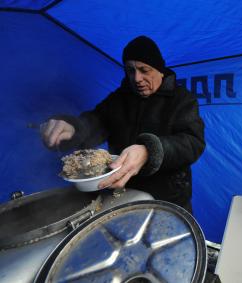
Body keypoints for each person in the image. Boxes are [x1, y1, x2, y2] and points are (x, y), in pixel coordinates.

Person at [41, 36, 206, 213]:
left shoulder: (182, 99)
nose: (136, 78)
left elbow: (192, 142)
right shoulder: (118, 99)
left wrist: (150, 151)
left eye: (144, 70)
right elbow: (96, 121)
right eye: (130, 70)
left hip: (168, 201)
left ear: (159, 70)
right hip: (122, 195)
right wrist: (74, 128)